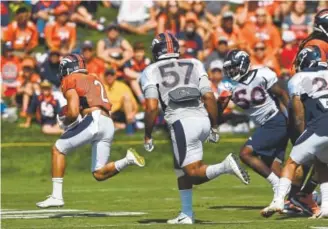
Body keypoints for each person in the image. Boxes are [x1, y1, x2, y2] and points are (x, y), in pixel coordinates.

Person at [141, 32, 250, 224]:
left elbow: (151, 107)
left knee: (192, 173)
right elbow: (208, 97)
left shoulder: (151, 70)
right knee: (180, 169)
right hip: (202, 119)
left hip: (182, 122)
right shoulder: (195, 63)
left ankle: (225, 166)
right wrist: (214, 126)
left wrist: (148, 135)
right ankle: (187, 214)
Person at [36, 54, 145, 208]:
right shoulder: (94, 78)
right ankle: (128, 159)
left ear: (67, 68)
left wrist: (65, 122)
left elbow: (73, 112)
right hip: (108, 123)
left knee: (58, 149)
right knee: (99, 173)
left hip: (94, 119)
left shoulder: (70, 79)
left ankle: (56, 196)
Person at [219, 50, 290, 214]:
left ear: (244, 64)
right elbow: (219, 110)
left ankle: (277, 186)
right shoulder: (228, 85)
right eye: (230, 68)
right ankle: (304, 197)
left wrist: (292, 119)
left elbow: (282, 95)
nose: (232, 72)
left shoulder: (262, 74)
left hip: (275, 120)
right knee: (274, 167)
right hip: (267, 124)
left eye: (235, 67)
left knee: (245, 153)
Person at [262, 46, 328, 218]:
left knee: (291, 162)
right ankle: (327, 207)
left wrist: (302, 135)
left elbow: (298, 114)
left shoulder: (299, 78)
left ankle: (278, 200)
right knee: (323, 163)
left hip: (321, 125)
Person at [103, 68, 138, 135]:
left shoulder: (122, 86)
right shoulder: (102, 87)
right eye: (107, 75)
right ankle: (120, 126)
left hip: (121, 113)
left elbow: (133, 103)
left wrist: (133, 113)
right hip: (108, 113)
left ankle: (129, 127)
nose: (109, 77)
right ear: (104, 76)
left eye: (111, 75)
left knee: (126, 97)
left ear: (115, 76)